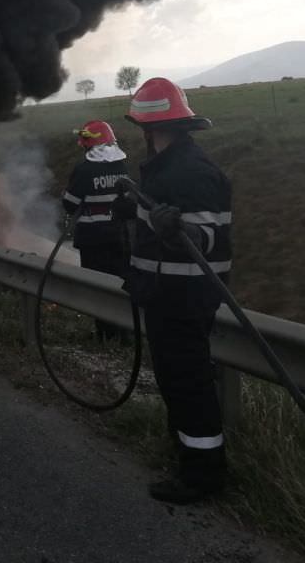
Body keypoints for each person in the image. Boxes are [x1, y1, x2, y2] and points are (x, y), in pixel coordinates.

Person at [116, 78, 232, 505]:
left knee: (188, 384)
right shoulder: (166, 168)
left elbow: (207, 238)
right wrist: (135, 212)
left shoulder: (192, 173)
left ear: (152, 128)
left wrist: (177, 228)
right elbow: (156, 227)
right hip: (164, 293)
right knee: (176, 382)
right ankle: (186, 455)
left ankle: (203, 476)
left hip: (183, 297)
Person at [61, 120, 130, 341]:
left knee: (99, 287)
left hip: (93, 240)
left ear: (88, 145)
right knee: (121, 285)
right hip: (120, 236)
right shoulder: (121, 166)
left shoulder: (85, 169)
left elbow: (70, 204)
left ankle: (105, 335)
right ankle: (125, 333)